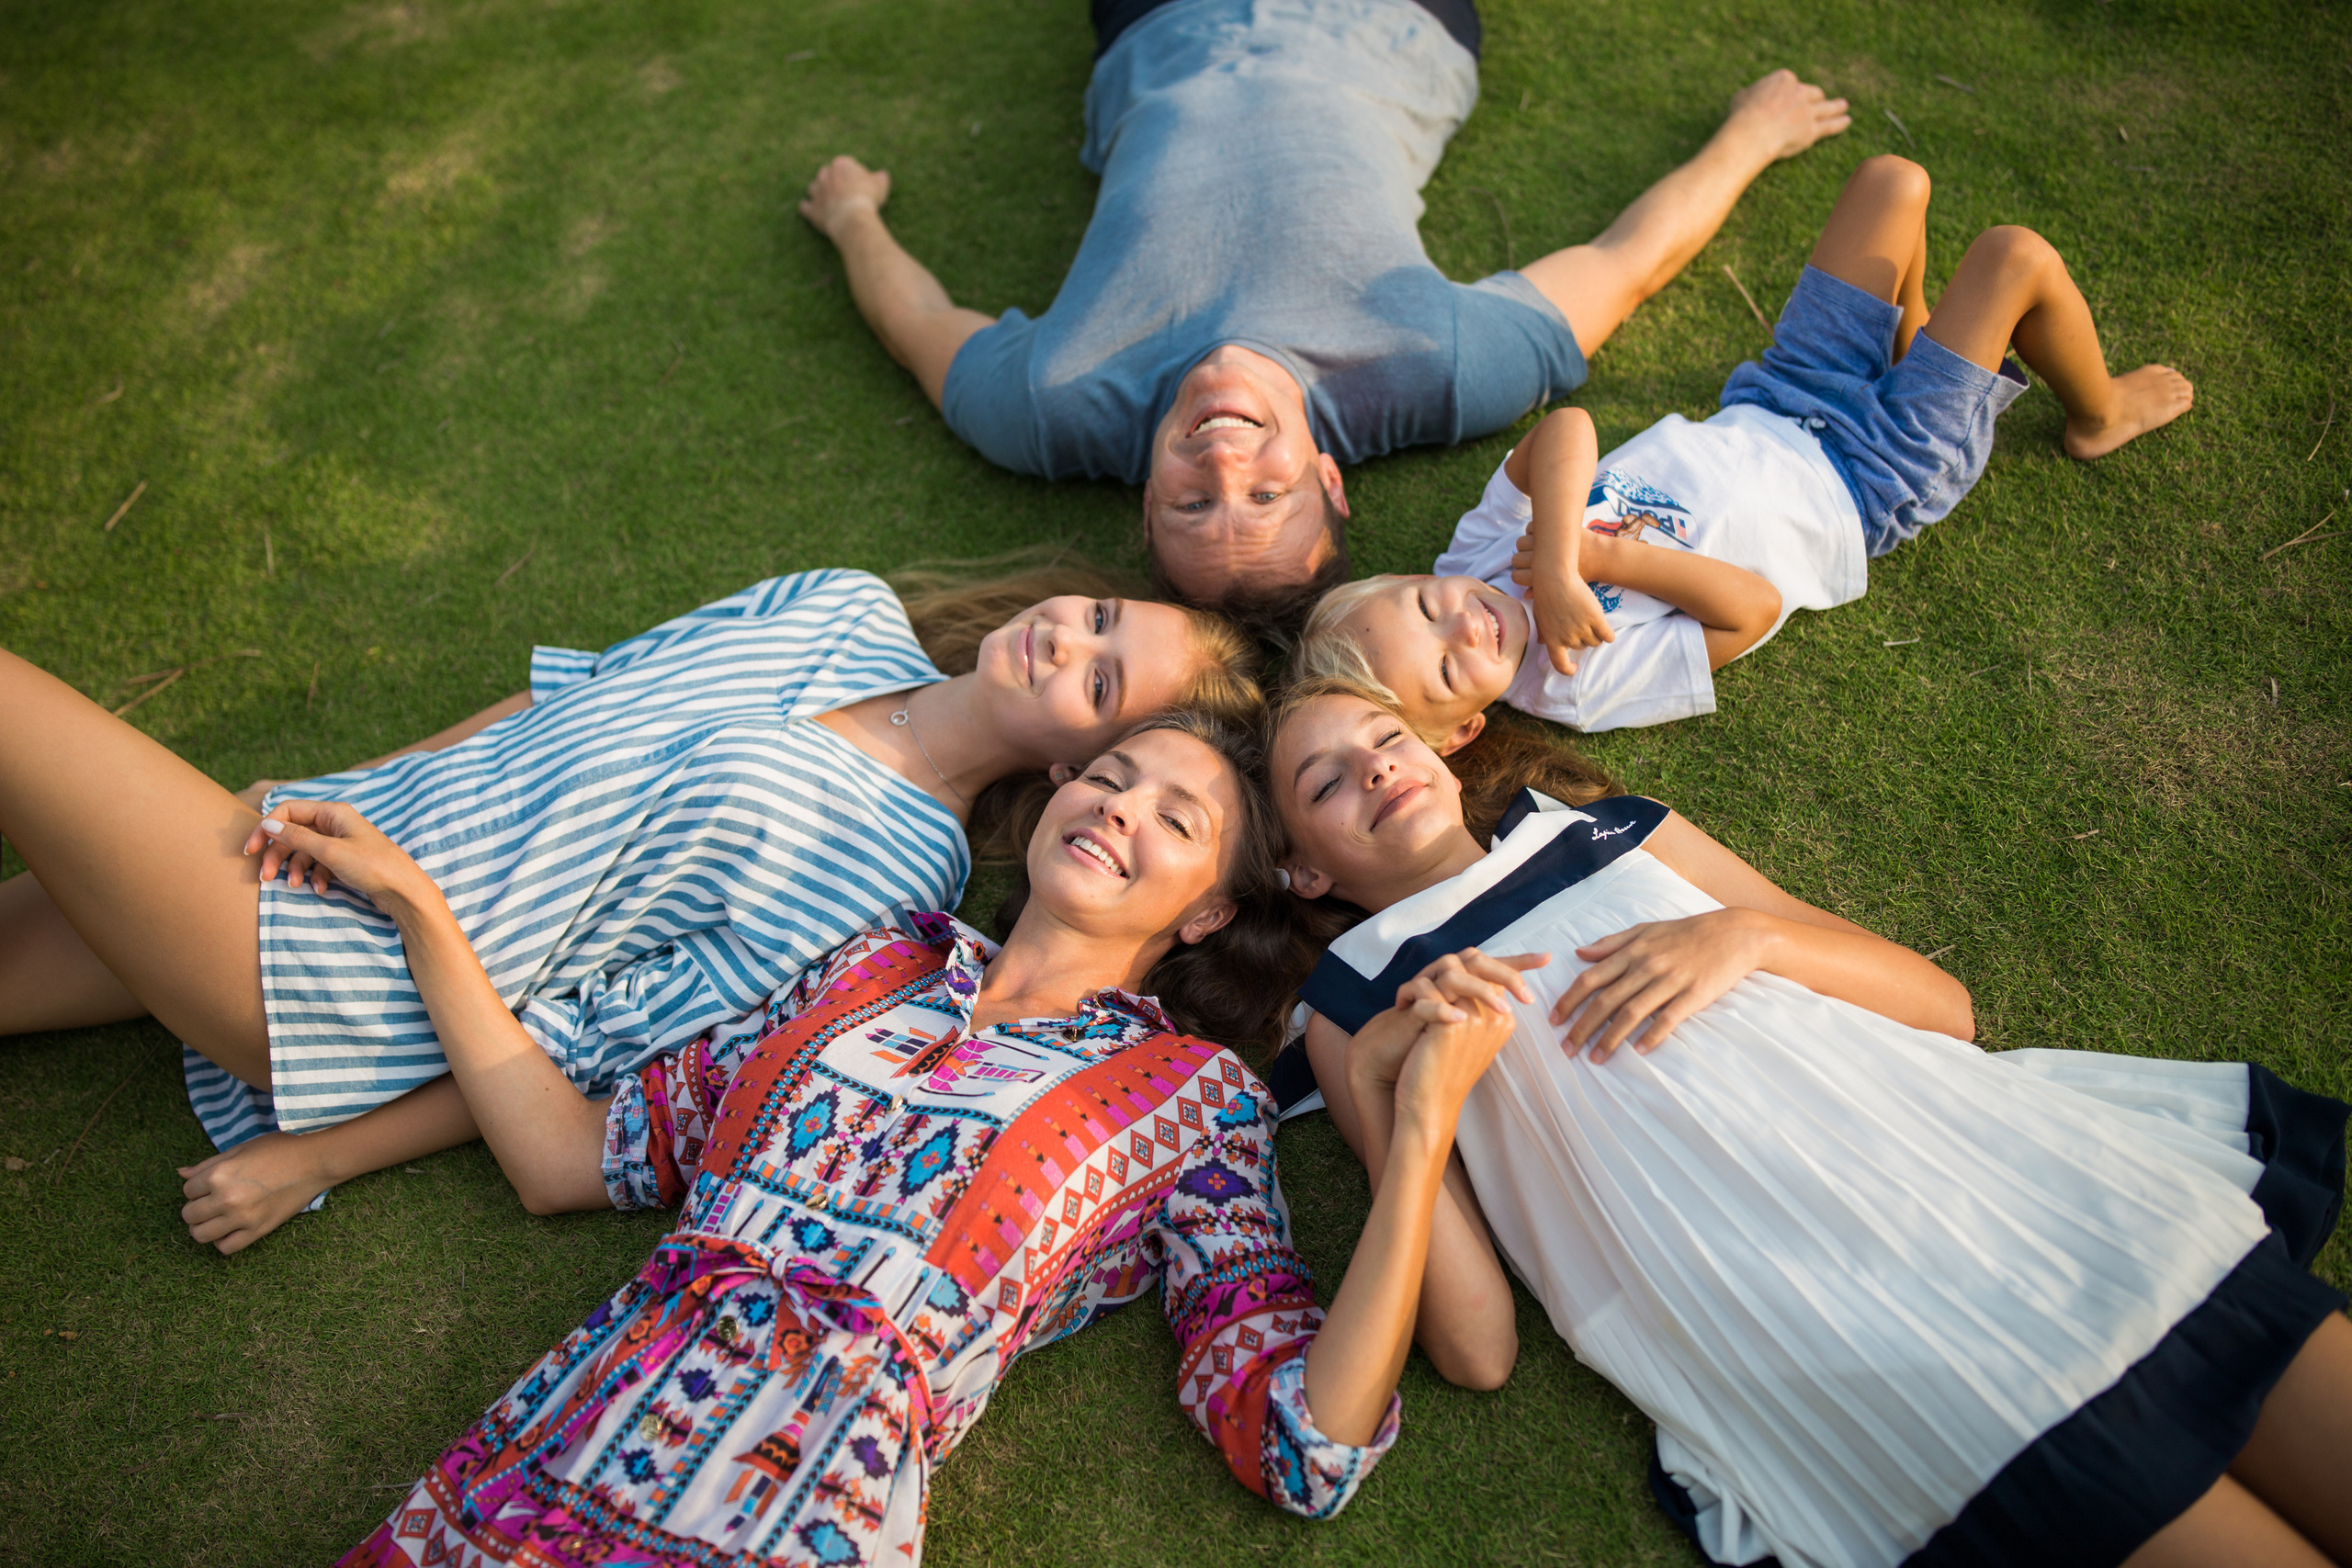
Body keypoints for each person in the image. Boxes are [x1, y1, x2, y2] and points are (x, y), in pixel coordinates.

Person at [303, 711, 1515, 1565]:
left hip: (794, 1508)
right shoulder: (869, 967)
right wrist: (422, 910)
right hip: (544, 1455)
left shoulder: (1192, 1099)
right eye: (1108, 773)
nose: (1116, 805)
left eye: (1175, 814)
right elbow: (568, 1156)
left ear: (1206, 907)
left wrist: (1415, 1135)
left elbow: (1304, 1438)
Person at [1265, 678, 2352, 1568]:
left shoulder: (1609, 836)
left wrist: (1747, 938)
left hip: (1993, 1192)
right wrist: (1390, 1098)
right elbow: (1478, 1348)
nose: (1372, 767)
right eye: (1326, 780)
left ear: (1442, 752)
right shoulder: (1360, 1003)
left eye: (1385, 734)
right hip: (1823, 1324)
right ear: (1304, 868)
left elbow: (1941, 1010)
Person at [0, 561, 1261, 1254]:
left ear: (1077, 770)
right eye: (1099, 616)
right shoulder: (842, 604)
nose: (1064, 640)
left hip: (341, 970)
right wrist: (356, 790)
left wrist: (317, 1153)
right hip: (326, 840)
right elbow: (564, 696)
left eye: (1099, 680)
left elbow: (591, 1046)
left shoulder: (896, 879)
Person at [797, 0, 1853, 626]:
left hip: (1160, 27)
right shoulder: (1433, 369)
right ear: (1328, 477)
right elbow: (1625, 264)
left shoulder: (1048, 406)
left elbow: (919, 321)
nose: (1220, 464)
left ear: (1145, 508)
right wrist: (1750, 138)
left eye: (1193, 508)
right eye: (1266, 495)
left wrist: (852, 222)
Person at [1293, 153, 2198, 739]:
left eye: (1422, 605)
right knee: (2014, 257)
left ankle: (1917, 338)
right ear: (1462, 729)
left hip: (1779, 395)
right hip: (1868, 478)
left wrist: (1561, 560)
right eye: (1449, 666)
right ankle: (2099, 411)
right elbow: (1751, 608)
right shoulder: (1577, 687)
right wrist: (1607, 560)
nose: (1464, 620)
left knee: (1894, 184)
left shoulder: (1479, 557)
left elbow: (1563, 432)